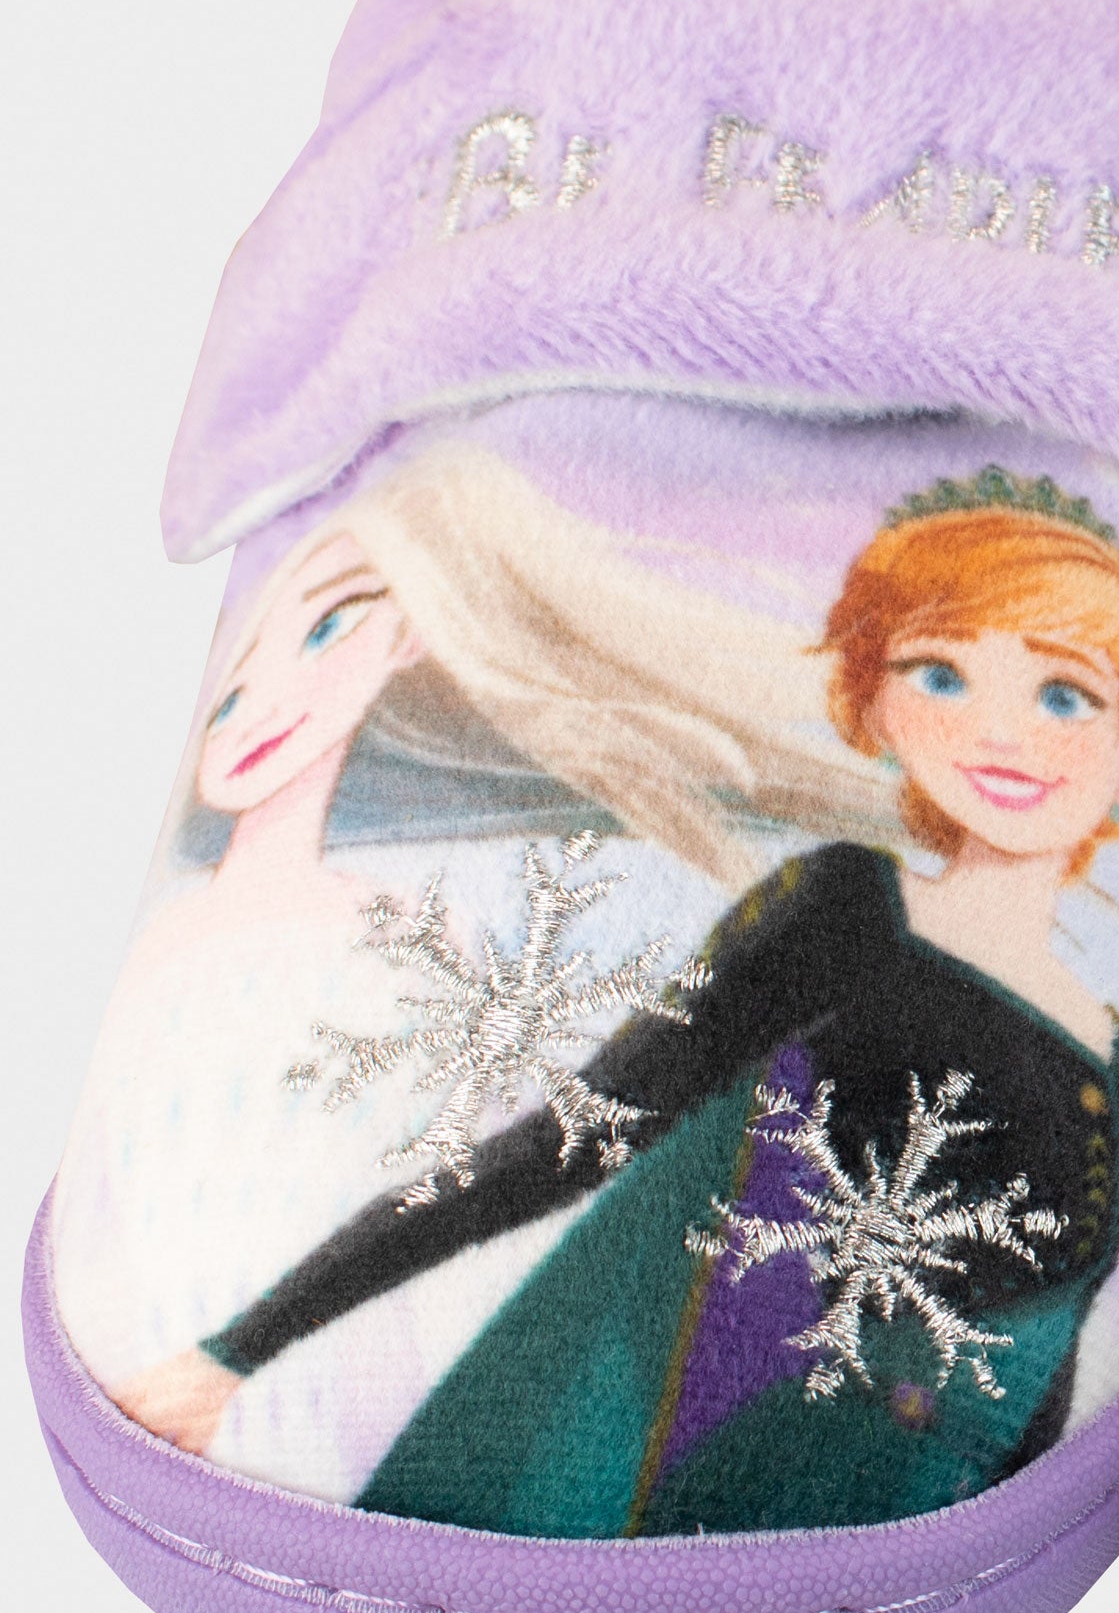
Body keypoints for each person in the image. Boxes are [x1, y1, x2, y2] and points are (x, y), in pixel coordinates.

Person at [115, 468, 1119, 1540]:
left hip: (899, 1509)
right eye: (939, 675)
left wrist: (1016, 1517)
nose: (1001, 731)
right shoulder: (846, 910)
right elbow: (579, 1135)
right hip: (668, 1463)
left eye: (1064, 694)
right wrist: (241, 1345)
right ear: (877, 710)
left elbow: (1047, 1372)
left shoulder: (1113, 1065)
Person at [54, 445, 893, 1496]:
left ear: (409, 633)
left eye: (330, 627)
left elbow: (508, 1155)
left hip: (361, 1351)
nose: (262, 700)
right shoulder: (239, 925)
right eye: (251, 662)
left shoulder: (422, 931)